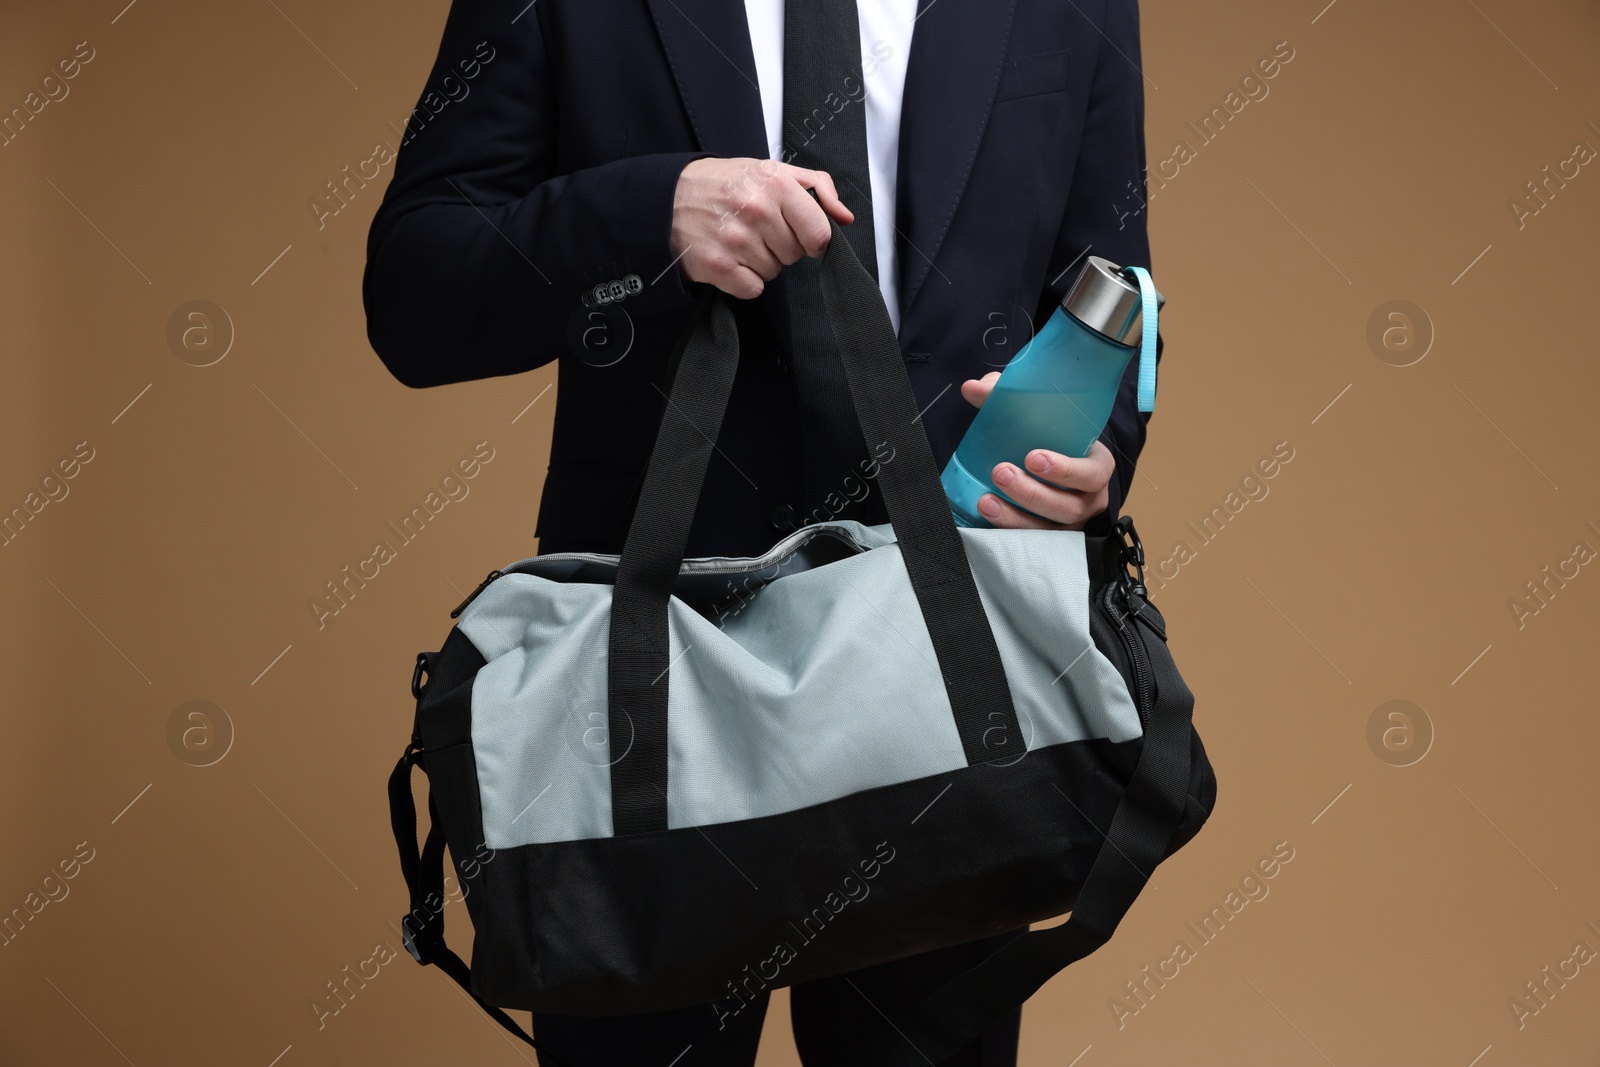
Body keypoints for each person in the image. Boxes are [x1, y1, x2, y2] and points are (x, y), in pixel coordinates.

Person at [364, 1, 1161, 1063]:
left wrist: (1090, 454)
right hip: (645, 706)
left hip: (948, 677)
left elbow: (1111, 283)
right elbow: (416, 294)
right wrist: (653, 212)